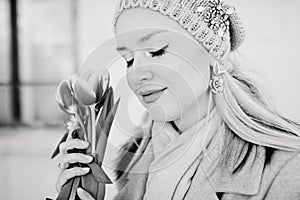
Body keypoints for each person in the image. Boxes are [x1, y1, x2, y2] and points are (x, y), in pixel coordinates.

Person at [55, 0, 300, 199]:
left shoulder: (288, 170)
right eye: (129, 59)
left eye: (157, 50)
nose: (136, 73)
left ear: (212, 52)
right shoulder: (132, 161)